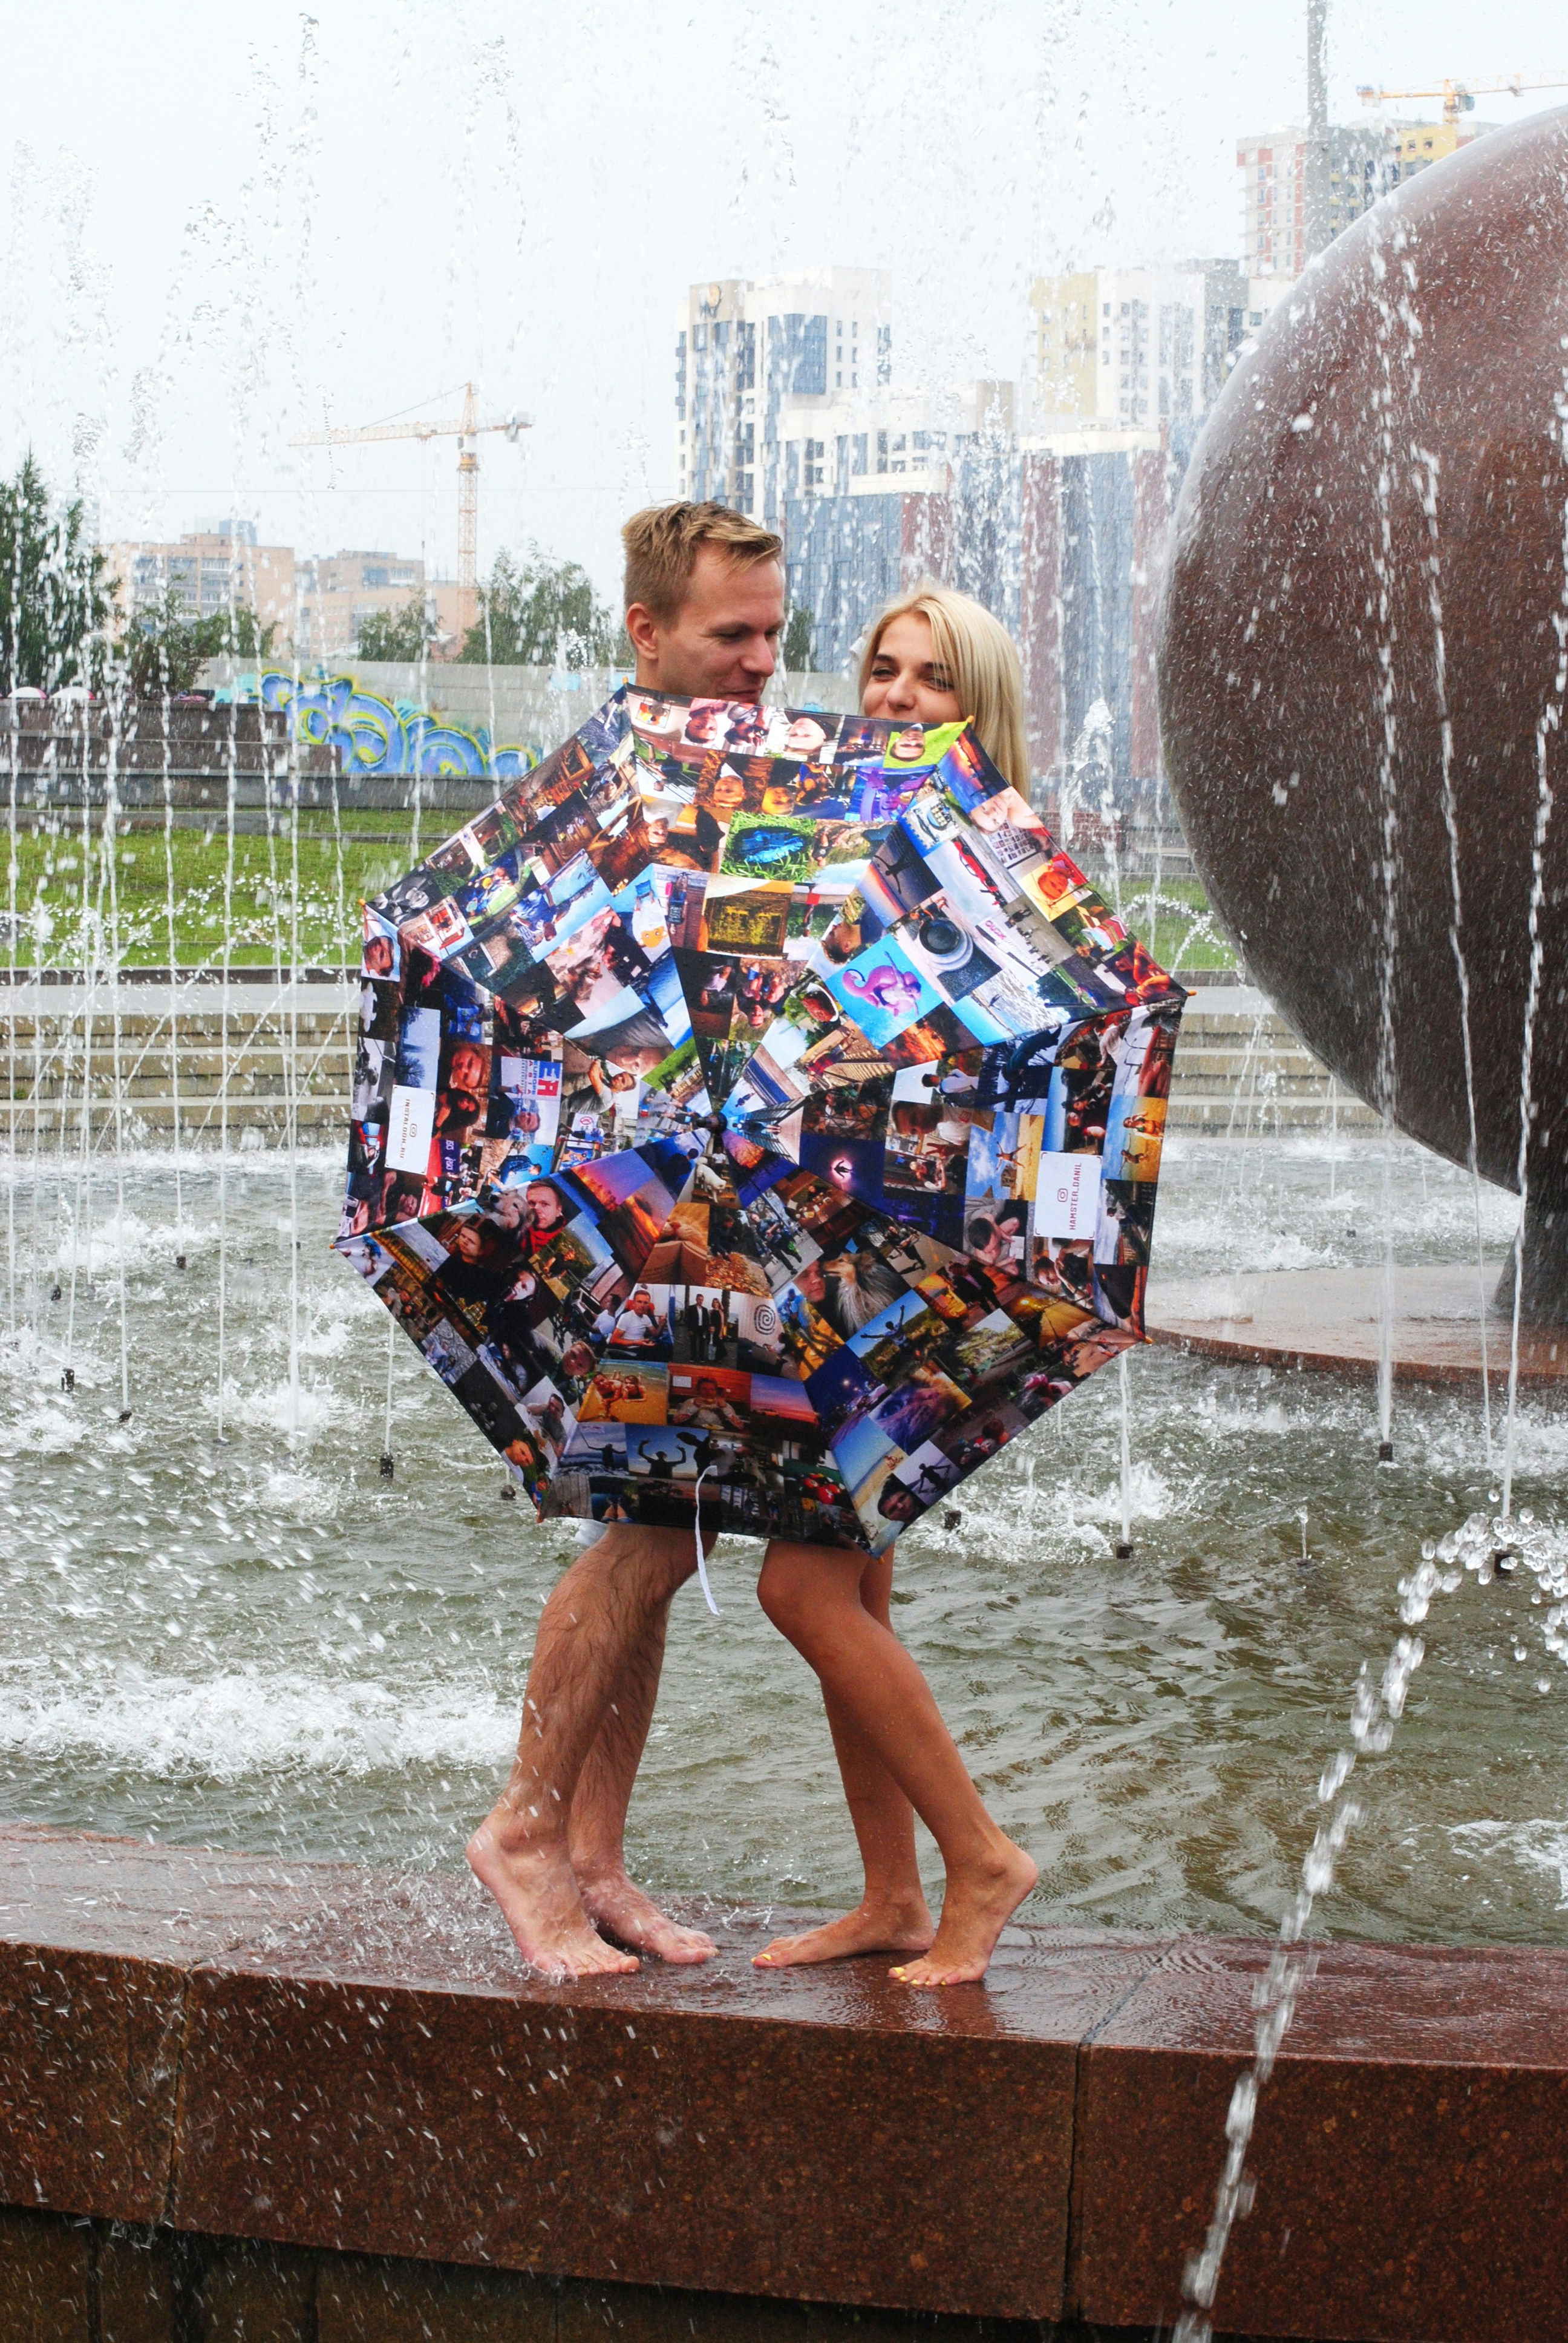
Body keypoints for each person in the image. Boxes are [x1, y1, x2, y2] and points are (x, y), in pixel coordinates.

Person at [468, 500, 788, 1979]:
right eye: (734, 636)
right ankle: (527, 1830)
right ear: (647, 633)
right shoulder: (607, 795)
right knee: (653, 1527)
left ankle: (594, 1849)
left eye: (775, 634)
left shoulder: (724, 778)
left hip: (703, 1186)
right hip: (618, 1194)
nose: (762, 662)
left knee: (659, 1522)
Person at [752, 583, 1038, 1987]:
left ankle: (981, 1859)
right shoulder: (857, 843)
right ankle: (892, 1893)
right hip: (837, 1250)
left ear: (978, 708)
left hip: (912, 1262)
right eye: (882, 669)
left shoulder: (989, 856)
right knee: (852, 1593)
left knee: (798, 1591)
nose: (897, 696)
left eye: (931, 679)